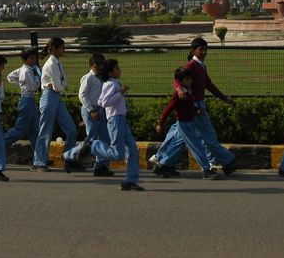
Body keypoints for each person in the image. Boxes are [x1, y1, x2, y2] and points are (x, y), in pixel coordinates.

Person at [153, 37, 237, 176]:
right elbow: (177, 79)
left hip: (194, 106)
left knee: (181, 138)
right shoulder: (191, 66)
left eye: (205, 49)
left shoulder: (201, 66)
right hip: (195, 106)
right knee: (208, 136)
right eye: (201, 49)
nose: (204, 52)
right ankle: (227, 161)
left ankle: (164, 164)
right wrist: (179, 89)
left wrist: (225, 99)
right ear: (193, 51)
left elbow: (209, 85)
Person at [80, 59, 144, 191]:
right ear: (110, 72)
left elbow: (100, 100)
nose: (119, 70)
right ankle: (93, 146)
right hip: (115, 121)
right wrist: (120, 93)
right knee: (118, 154)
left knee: (133, 150)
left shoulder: (114, 84)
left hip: (121, 120)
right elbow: (104, 102)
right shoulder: (111, 85)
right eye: (117, 68)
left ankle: (130, 180)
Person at [155, 67, 219, 179]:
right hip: (184, 125)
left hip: (189, 123)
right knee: (197, 146)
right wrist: (160, 123)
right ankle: (206, 170)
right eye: (187, 80)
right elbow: (168, 109)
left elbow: (189, 105)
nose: (190, 82)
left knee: (176, 146)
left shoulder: (187, 92)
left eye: (190, 79)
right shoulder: (178, 95)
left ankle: (163, 165)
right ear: (179, 82)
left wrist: (196, 110)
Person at [32, 37, 80, 172]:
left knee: (71, 129)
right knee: (45, 130)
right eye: (62, 47)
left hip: (56, 97)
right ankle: (39, 162)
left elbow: (63, 84)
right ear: (55, 49)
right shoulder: (51, 64)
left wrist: (60, 85)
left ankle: (68, 158)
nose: (64, 50)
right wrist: (60, 85)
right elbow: (60, 85)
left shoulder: (57, 63)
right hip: (49, 97)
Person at [78, 52, 114, 177]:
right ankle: (72, 157)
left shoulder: (100, 78)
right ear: (94, 65)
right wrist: (91, 111)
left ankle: (101, 165)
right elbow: (82, 95)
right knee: (92, 138)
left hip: (100, 110)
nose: (103, 67)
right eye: (101, 65)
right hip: (92, 109)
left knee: (104, 138)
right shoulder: (88, 78)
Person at [4, 47, 42, 148]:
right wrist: (38, 78)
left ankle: (38, 157)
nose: (35, 60)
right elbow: (33, 87)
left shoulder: (24, 69)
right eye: (32, 58)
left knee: (35, 130)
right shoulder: (27, 71)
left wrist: (21, 84)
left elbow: (10, 77)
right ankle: (0, 143)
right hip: (27, 100)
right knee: (21, 129)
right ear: (26, 59)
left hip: (29, 100)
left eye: (35, 57)